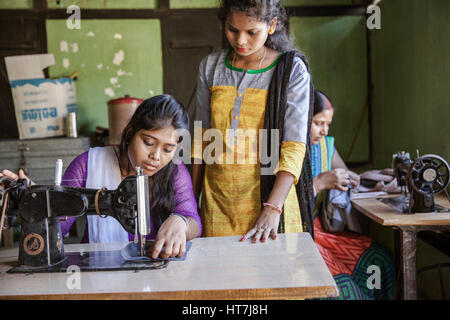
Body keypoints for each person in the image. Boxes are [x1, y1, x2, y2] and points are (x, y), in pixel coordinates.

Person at [0, 95, 202, 259]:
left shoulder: (175, 172)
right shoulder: (88, 164)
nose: (156, 157)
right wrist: (38, 199)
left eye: (168, 149)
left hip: (156, 272)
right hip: (95, 273)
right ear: (130, 133)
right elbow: (59, 224)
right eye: (148, 142)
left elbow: (194, 223)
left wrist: (180, 222)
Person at [191, 0, 315, 242]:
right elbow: (200, 141)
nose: (240, 41)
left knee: (269, 276)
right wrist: (189, 206)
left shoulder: (291, 70)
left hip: (270, 202)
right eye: (232, 30)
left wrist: (272, 209)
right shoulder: (210, 67)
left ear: (272, 26)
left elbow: (294, 147)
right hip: (216, 204)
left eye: (251, 32)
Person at [311, 89, 395, 300]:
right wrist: (320, 182)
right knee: (344, 287)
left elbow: (347, 176)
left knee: (380, 259)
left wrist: (361, 180)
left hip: (323, 231)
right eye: (318, 123)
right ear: (301, 119)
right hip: (302, 235)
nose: (324, 131)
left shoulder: (324, 146)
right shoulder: (287, 150)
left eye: (327, 124)